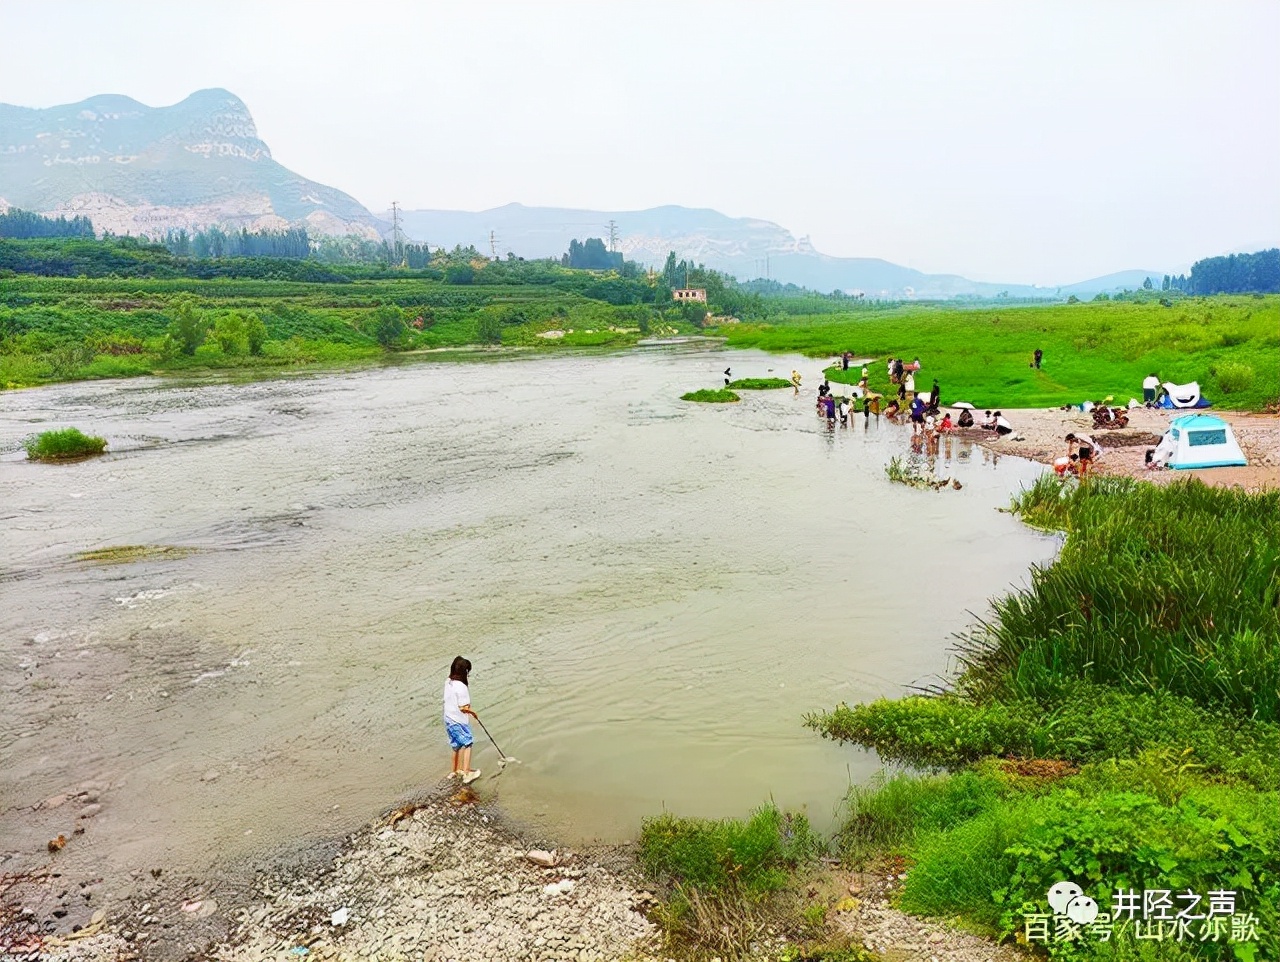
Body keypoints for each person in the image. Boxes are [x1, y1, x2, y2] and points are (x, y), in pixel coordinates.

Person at [444, 656, 481, 784]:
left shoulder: (448, 681)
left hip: (448, 719)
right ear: (465, 672)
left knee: (455, 745)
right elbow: (463, 708)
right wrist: (474, 713)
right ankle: (466, 773)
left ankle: (453, 772)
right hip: (458, 720)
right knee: (468, 743)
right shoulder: (461, 687)